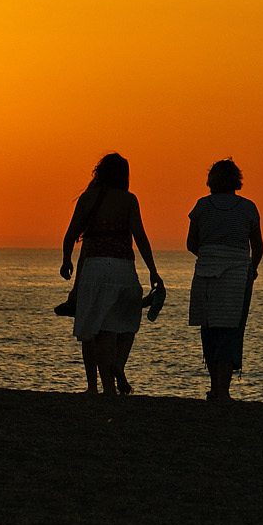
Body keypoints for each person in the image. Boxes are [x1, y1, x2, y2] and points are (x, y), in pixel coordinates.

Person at [61, 153, 163, 395]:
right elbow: (140, 236)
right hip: (123, 268)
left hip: (94, 267)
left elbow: (69, 235)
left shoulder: (88, 199)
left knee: (92, 328)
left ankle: (98, 387)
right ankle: (116, 368)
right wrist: (153, 270)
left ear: (99, 173)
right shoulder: (129, 200)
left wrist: (66, 261)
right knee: (125, 322)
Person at [186, 158, 262, 402]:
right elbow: (257, 247)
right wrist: (253, 268)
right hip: (238, 274)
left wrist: (212, 257)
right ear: (236, 180)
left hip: (207, 271)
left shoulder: (202, 207)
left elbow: (191, 244)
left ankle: (214, 387)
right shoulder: (248, 207)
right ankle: (224, 390)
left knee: (210, 329)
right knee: (231, 330)